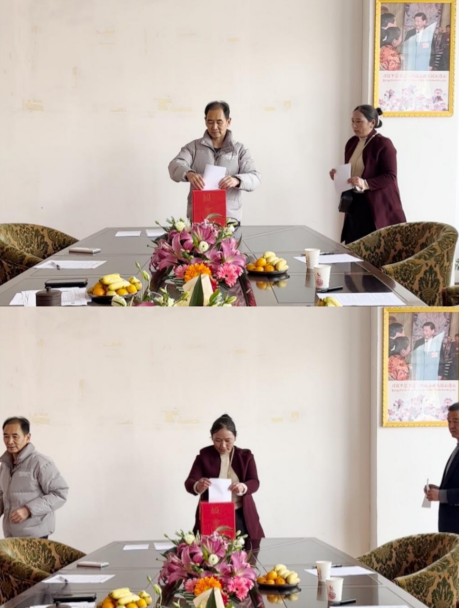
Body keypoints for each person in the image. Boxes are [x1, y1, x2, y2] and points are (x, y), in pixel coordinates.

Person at [168, 101, 261, 224]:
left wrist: (237, 180)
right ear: (205, 121)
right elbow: (174, 165)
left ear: (228, 121)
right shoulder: (193, 147)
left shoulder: (239, 150)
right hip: (200, 218)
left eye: (219, 122)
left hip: (229, 219)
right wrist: (188, 173)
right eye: (210, 122)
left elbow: (255, 177)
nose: (214, 127)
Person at [329, 105, 406, 244]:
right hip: (355, 205)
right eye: (352, 121)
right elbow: (353, 172)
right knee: (353, 248)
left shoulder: (384, 144)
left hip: (376, 207)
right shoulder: (351, 143)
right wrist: (339, 176)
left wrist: (365, 183)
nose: (354, 125)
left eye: (359, 121)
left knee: (374, 249)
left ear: (372, 122)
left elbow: (391, 176)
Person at [184, 413, 264, 541]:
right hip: (212, 514)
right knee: (209, 551)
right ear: (211, 437)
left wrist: (243, 486)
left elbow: (254, 482)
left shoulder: (246, 457)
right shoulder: (204, 456)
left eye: (228, 440)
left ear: (235, 437)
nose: (223, 445)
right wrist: (197, 485)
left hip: (240, 514)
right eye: (217, 440)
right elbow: (190, 482)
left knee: (245, 550)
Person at [0, 416, 68, 538]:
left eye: (15, 436)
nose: (9, 441)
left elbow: (60, 493)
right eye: (6, 436)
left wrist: (28, 510)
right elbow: (3, 494)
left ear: (27, 437)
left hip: (35, 537)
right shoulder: (5, 465)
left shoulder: (40, 463)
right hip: (11, 536)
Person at [425, 403, 459, 533]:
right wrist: (439, 490)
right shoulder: (457, 448)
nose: (451, 426)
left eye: (455, 421)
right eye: (449, 422)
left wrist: (441, 495)